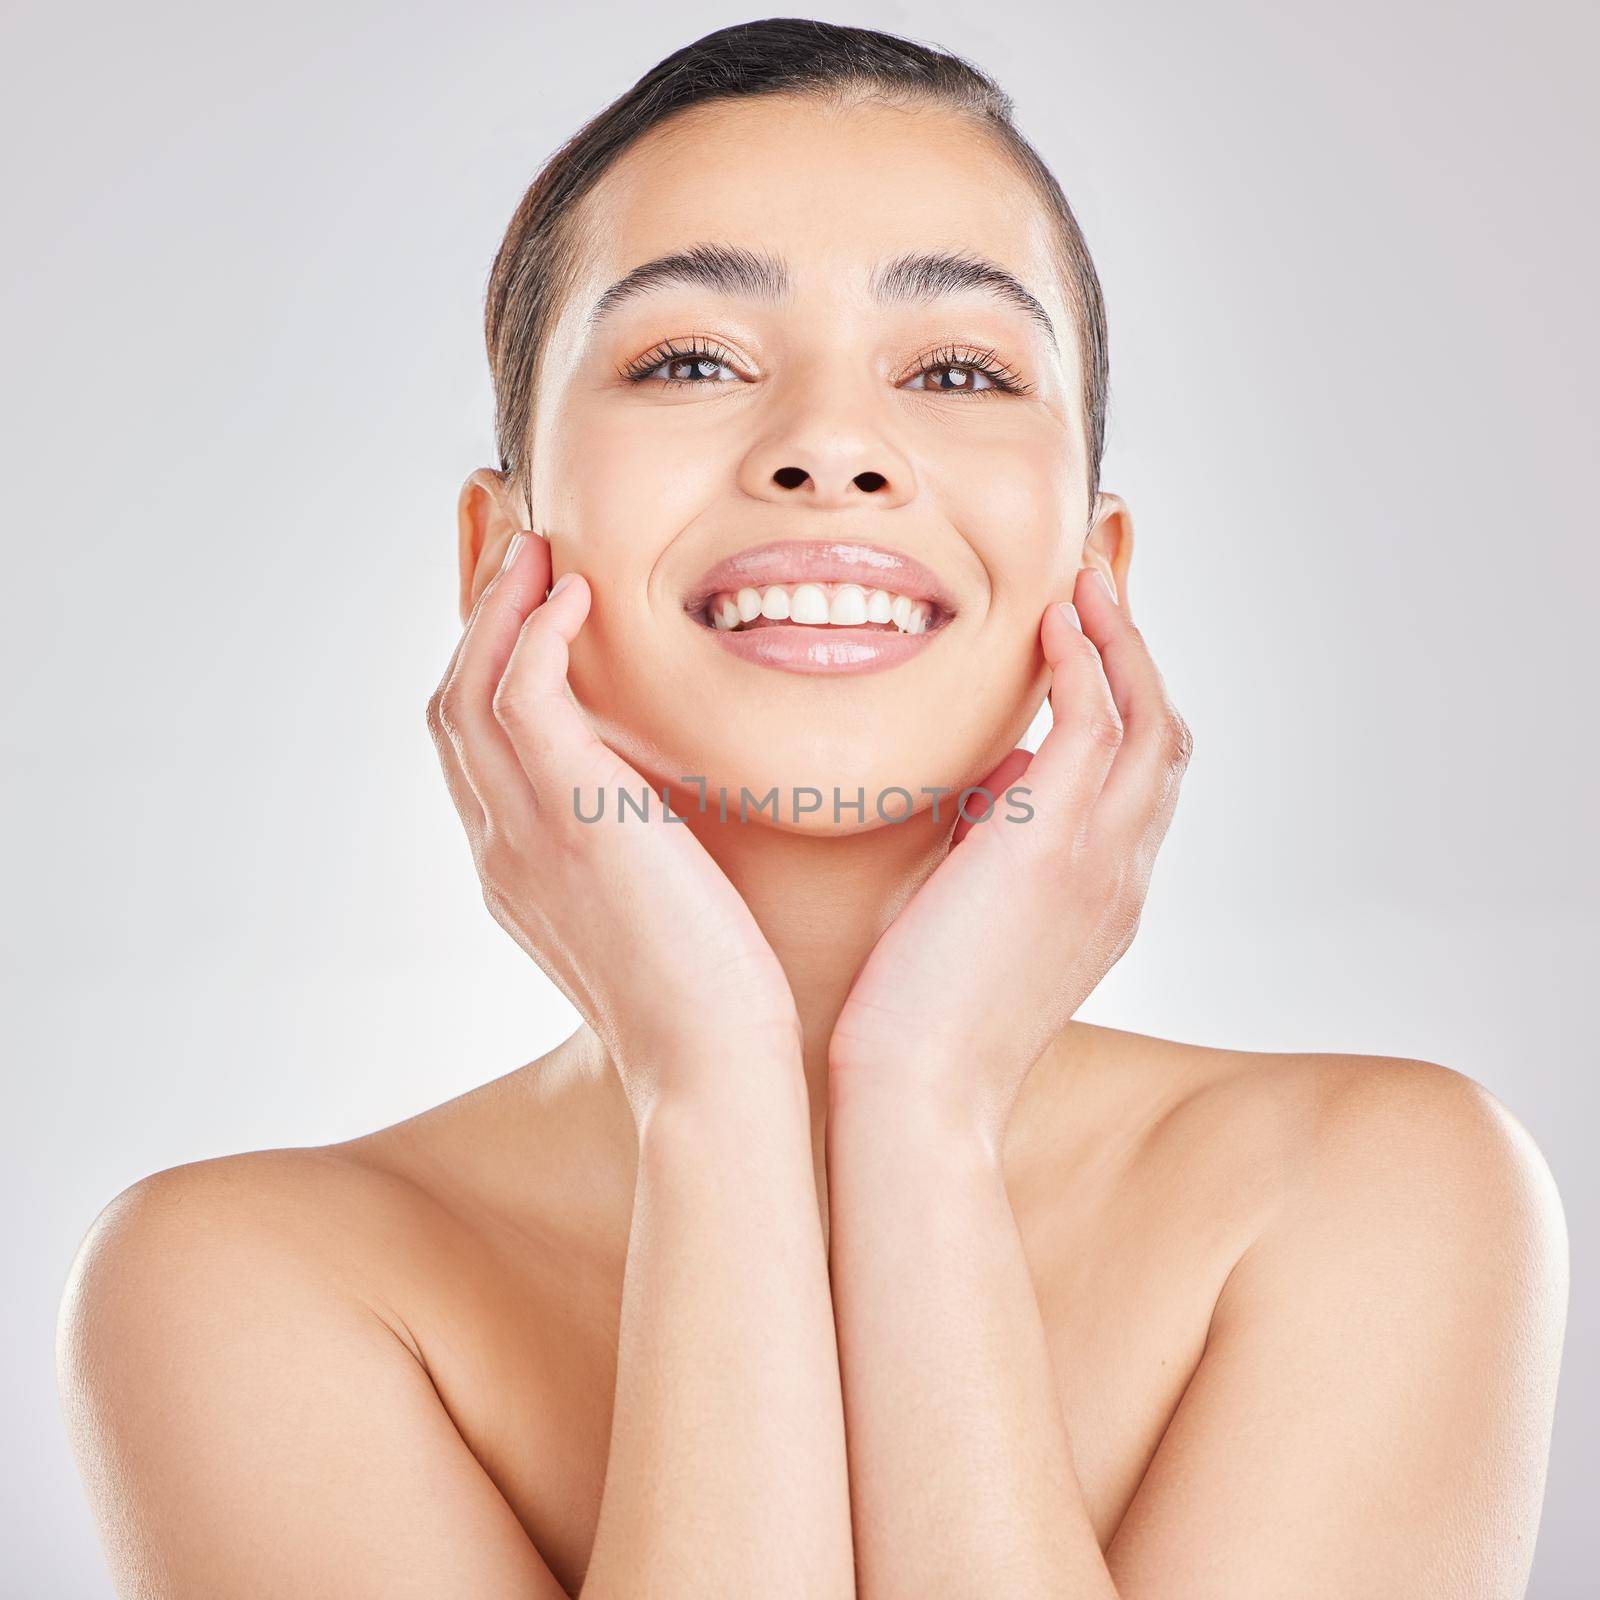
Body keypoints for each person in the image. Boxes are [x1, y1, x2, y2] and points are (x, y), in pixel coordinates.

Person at [57, 18, 1567, 1598]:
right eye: (691, 359)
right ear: (495, 560)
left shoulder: (1382, 1195)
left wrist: (918, 1108)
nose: (834, 448)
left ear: (1094, 573)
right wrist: (714, 1089)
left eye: (961, 368)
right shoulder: (236, 1286)